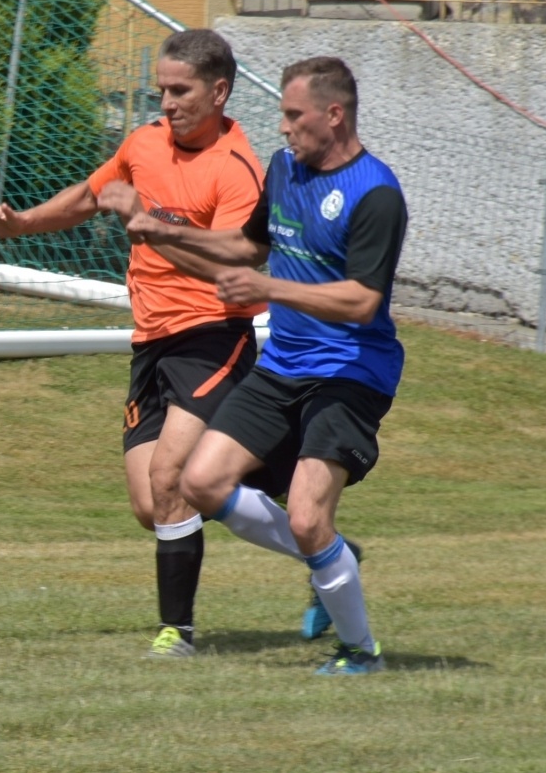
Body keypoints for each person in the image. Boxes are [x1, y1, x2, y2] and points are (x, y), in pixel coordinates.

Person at [0, 29, 267, 659]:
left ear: (219, 91)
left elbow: (239, 270)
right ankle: (309, 533)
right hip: (151, 342)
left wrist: (150, 230)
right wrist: (19, 224)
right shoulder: (144, 144)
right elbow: (89, 196)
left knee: (169, 478)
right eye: (160, 90)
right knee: (149, 505)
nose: (167, 103)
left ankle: (175, 634)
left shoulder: (238, 168)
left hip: (214, 337)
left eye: (180, 91)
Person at [126, 55, 408, 675]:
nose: (283, 128)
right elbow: (247, 246)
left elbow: (362, 301)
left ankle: (361, 651)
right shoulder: (283, 170)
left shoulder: (376, 194)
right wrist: (165, 230)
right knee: (200, 483)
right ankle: (334, 559)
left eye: (293, 115)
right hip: (282, 365)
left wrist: (269, 291)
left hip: (351, 372)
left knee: (308, 516)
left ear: (333, 115)